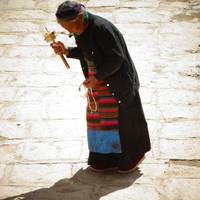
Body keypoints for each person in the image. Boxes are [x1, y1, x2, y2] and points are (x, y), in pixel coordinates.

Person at [51, 1, 151, 173]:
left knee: (122, 123)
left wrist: (97, 77)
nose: (69, 31)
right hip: (98, 83)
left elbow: (116, 59)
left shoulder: (101, 29)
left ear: (80, 18)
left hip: (117, 82)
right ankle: (104, 159)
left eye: (69, 27)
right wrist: (67, 50)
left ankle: (130, 158)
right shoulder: (80, 28)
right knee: (100, 122)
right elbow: (87, 51)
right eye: (64, 28)